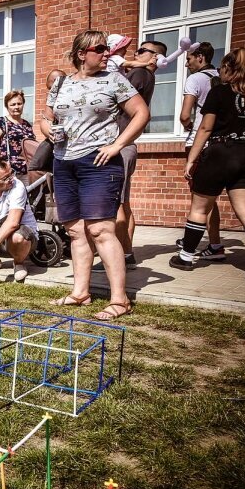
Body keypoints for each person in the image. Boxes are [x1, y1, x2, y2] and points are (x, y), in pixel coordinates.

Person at [40, 30, 149, 320]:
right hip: (64, 163)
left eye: (106, 49)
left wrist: (117, 145)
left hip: (98, 162)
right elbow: (46, 117)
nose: (106, 53)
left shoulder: (114, 79)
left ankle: (119, 299)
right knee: (76, 231)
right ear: (81, 53)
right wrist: (47, 130)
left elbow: (141, 113)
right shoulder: (61, 82)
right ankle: (80, 292)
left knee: (101, 230)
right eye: (99, 49)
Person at [170, 48, 245, 282]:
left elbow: (206, 128)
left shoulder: (219, 92)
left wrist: (192, 159)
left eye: (221, 69)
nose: (219, 73)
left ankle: (186, 256)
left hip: (220, 152)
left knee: (200, 208)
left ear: (228, 69)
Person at [93, 40, 167, 272]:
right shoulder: (142, 74)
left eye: (142, 51)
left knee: (116, 204)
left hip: (119, 146)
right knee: (122, 202)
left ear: (155, 58)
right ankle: (126, 253)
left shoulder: (138, 74)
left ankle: (120, 256)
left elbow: (113, 99)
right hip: (124, 145)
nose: (136, 53)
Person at [179, 42, 225, 260]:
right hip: (220, 143)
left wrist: (189, 128)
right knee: (210, 200)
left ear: (199, 57)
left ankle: (190, 248)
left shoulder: (195, 79)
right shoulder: (221, 77)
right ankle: (214, 244)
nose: (186, 63)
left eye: (188, 59)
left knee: (199, 200)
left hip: (199, 142)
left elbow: (185, 115)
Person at [0, 90, 37, 181]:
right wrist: (1, 165)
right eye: (13, 104)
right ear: (7, 106)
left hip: (27, 171)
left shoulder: (27, 125)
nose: (16, 107)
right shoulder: (2, 122)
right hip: (10, 172)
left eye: (19, 103)